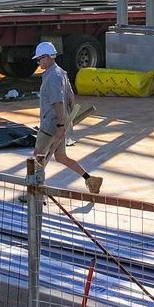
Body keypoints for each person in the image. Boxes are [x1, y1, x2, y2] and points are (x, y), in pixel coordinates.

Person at [32, 40, 101, 194]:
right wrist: (64, 124)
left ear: (47, 57)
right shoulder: (60, 73)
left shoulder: (53, 77)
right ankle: (90, 179)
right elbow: (70, 100)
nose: (38, 62)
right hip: (59, 123)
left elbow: (59, 102)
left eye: (39, 59)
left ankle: (35, 192)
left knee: (38, 158)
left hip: (52, 124)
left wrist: (60, 127)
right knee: (61, 157)